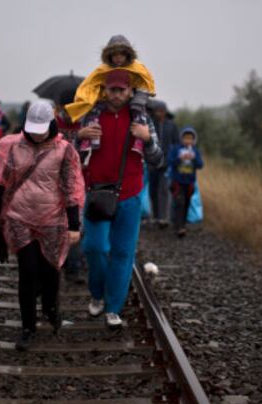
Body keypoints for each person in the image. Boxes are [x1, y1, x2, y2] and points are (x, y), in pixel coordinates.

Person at [0, 100, 85, 351]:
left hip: (52, 220)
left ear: (51, 124)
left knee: (50, 271)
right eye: (32, 128)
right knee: (27, 272)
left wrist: (74, 225)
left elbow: (70, 188)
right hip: (19, 218)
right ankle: (27, 327)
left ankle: (50, 307)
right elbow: (5, 185)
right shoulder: (16, 148)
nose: (36, 134)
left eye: (41, 129)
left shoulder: (65, 151)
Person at [76, 70, 164, 329]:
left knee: (123, 253)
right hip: (96, 193)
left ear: (130, 92)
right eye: (111, 90)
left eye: (121, 90)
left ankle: (113, 308)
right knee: (95, 247)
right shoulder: (90, 116)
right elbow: (69, 153)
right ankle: (97, 293)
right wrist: (78, 137)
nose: (116, 95)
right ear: (104, 90)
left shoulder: (141, 119)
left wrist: (146, 139)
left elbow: (158, 159)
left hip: (130, 193)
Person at [66, 35, 156, 151]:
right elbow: (89, 84)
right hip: (102, 102)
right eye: (115, 54)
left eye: (121, 54)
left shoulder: (138, 68)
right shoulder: (102, 70)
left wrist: (147, 140)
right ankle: (89, 143)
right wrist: (85, 101)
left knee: (139, 116)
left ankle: (138, 143)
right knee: (92, 116)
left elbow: (146, 82)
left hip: (134, 102)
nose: (118, 58)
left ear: (127, 55)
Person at [55, 88, 85, 284]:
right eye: (66, 107)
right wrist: (77, 136)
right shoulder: (53, 124)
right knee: (56, 224)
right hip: (54, 181)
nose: (69, 110)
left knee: (76, 225)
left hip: (78, 180)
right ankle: (58, 264)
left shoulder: (84, 122)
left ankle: (73, 268)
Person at [168, 127, 204, 238]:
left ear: (194, 139)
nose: (188, 140)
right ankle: (180, 227)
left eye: (190, 138)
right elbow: (170, 161)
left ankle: (181, 224)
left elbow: (200, 165)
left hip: (189, 183)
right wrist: (180, 158)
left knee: (186, 204)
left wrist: (193, 158)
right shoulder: (175, 149)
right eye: (186, 138)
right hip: (177, 181)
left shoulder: (195, 151)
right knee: (180, 202)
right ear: (181, 138)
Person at [148, 100, 179, 228]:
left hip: (166, 163)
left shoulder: (171, 125)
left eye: (160, 111)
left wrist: (174, 159)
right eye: (156, 111)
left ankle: (163, 218)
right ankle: (155, 217)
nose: (158, 113)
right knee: (153, 190)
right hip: (152, 163)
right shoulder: (151, 125)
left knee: (164, 190)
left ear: (165, 112)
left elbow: (177, 143)